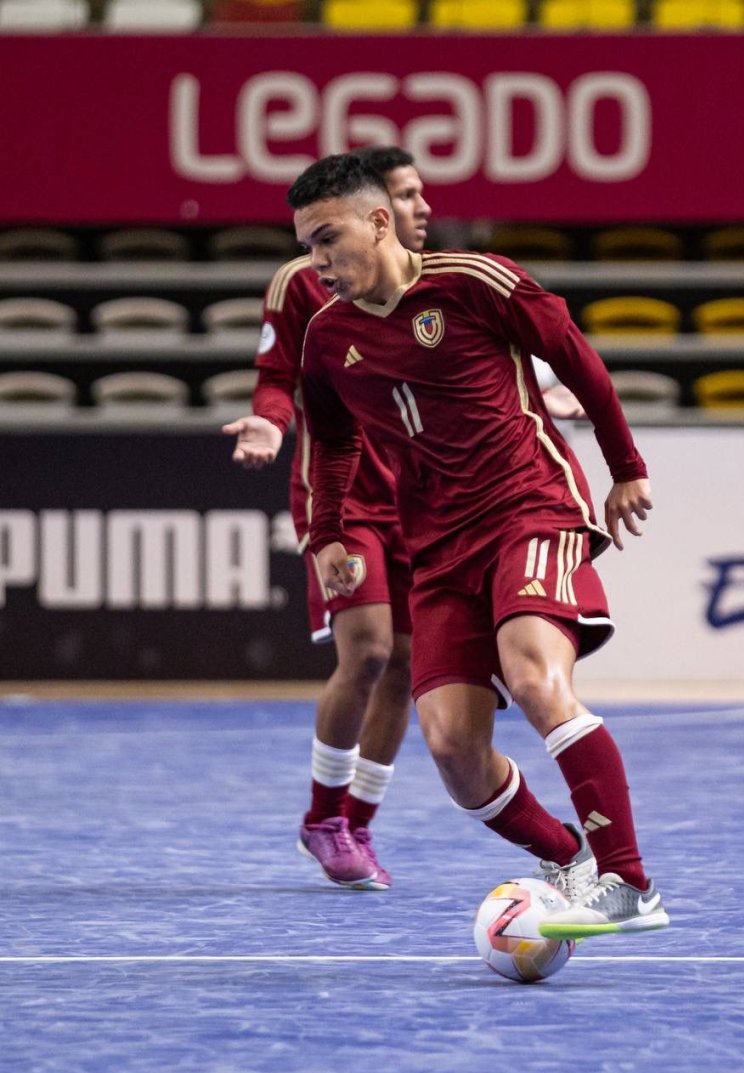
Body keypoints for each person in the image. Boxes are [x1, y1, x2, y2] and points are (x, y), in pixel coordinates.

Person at [291, 153, 670, 938]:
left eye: (328, 239)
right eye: (306, 247)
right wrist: (327, 534)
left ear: (379, 223)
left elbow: (577, 359)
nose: (317, 262)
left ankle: (630, 883)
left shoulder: (475, 281)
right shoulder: (327, 338)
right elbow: (331, 441)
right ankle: (568, 858)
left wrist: (625, 469)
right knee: (453, 750)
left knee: (533, 677)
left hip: (529, 509)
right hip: (437, 550)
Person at [223, 147, 432, 892]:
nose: (422, 208)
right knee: (368, 653)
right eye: (406, 195)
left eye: (422, 193)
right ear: (374, 210)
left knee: (406, 666)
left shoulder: (439, 280)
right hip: (341, 495)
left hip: (421, 498)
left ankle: (358, 824)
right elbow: (275, 378)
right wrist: (269, 423)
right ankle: (322, 818)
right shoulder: (305, 280)